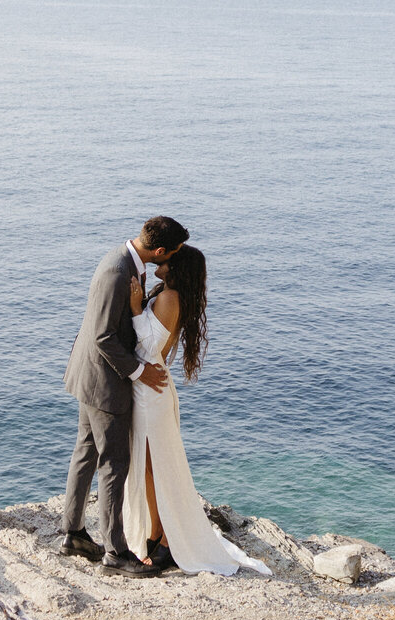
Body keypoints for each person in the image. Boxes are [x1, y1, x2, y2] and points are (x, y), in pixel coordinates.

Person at [122, 246, 270, 578]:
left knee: (155, 468)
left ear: (177, 268)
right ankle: (157, 534)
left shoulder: (170, 297)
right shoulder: (164, 292)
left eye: (165, 260)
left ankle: (167, 542)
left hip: (152, 394)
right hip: (148, 389)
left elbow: (151, 346)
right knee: (148, 468)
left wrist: (134, 309)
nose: (159, 262)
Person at [60, 217, 189, 575]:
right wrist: (139, 371)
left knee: (86, 452)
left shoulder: (120, 260)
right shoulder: (119, 271)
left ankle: (72, 533)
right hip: (105, 381)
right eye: (171, 254)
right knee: (114, 464)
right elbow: (103, 337)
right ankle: (116, 554)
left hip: (89, 375)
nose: (171, 261)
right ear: (160, 251)